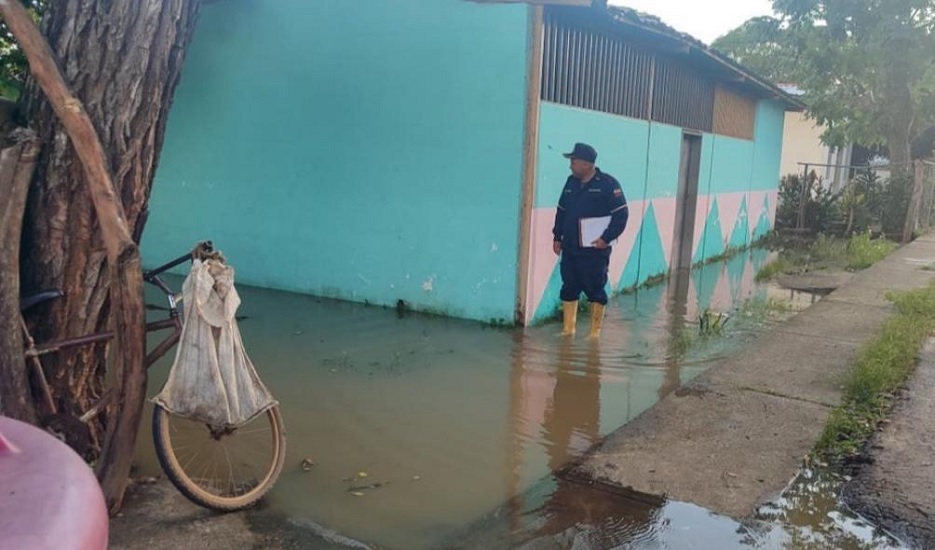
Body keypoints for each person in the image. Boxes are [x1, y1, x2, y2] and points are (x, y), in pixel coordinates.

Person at [552, 143, 628, 338]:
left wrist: (606, 238)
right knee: (568, 287)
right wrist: (557, 236)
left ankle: (594, 334)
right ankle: (568, 330)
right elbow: (561, 212)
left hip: (594, 250)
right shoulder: (570, 182)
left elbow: (621, 216)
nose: (570, 166)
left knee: (596, 289)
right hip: (570, 248)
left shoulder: (608, 184)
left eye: (573, 162)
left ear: (586, 164)